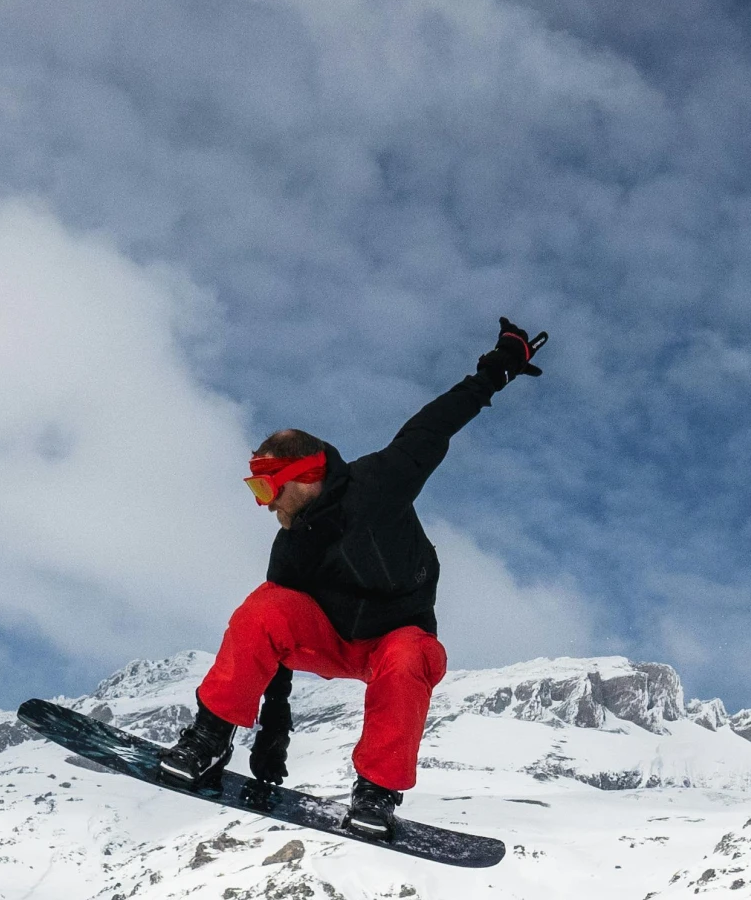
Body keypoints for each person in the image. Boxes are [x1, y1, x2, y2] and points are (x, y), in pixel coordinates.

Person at [160, 318, 546, 838]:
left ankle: (376, 793)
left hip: (389, 646)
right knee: (265, 607)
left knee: (411, 655)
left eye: (266, 487)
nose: (263, 504)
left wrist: (501, 365)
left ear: (306, 475)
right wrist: (274, 732)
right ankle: (208, 739)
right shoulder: (292, 546)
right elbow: (268, 646)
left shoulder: (381, 482)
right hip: (328, 640)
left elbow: (440, 420)